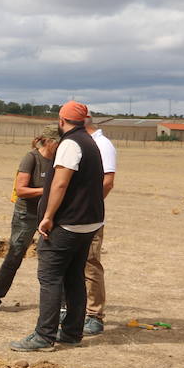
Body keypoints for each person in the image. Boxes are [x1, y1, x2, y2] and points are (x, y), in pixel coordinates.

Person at [10, 101, 104, 352]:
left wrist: (48, 216)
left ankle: (44, 335)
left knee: (50, 276)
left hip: (69, 222)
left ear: (61, 121)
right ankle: (72, 332)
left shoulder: (70, 144)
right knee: (73, 276)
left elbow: (60, 184)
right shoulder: (90, 141)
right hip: (89, 222)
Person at [0, 126, 58, 312]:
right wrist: (48, 190)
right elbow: (21, 189)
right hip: (26, 215)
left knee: (53, 258)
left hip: (49, 215)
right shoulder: (31, 158)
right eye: (58, 143)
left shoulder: (59, 161)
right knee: (15, 255)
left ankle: (60, 303)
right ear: (49, 142)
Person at [82, 118, 118, 335]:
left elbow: (108, 181)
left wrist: (90, 207)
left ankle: (95, 315)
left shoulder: (102, 144)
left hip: (89, 217)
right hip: (74, 218)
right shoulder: (81, 142)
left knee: (90, 264)